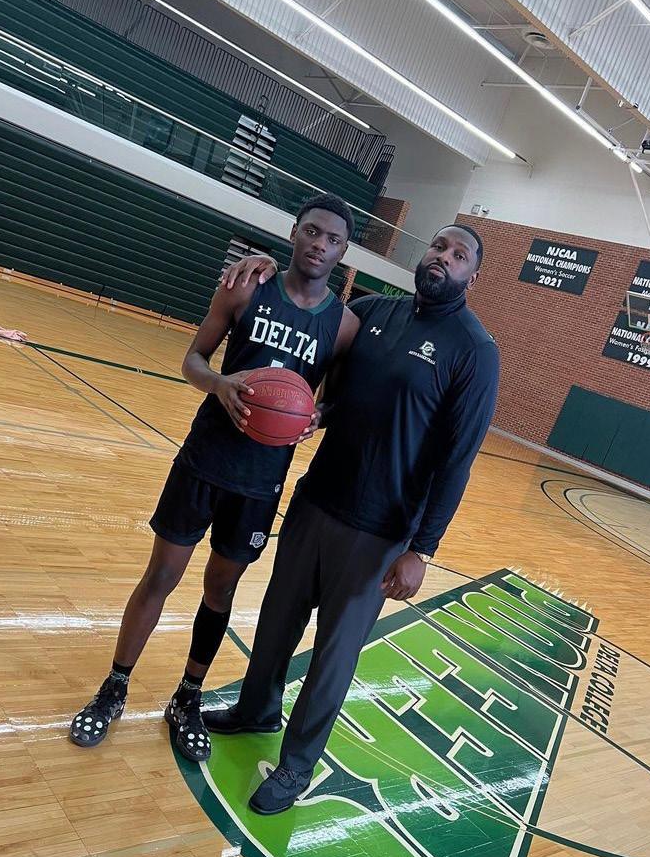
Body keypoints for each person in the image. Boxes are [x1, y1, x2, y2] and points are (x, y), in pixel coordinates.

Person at [204, 224, 500, 814]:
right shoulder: (374, 313)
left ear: (472, 274)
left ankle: (296, 765)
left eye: (459, 255)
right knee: (276, 622)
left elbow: (457, 460)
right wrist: (269, 268)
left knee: (333, 657)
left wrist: (422, 549)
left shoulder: (475, 351)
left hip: (381, 531)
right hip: (318, 500)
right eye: (438, 246)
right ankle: (256, 709)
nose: (443, 257)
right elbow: (309, 307)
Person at [68, 194, 359, 758]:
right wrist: (220, 385)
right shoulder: (246, 287)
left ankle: (188, 696)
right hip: (204, 460)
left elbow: (335, 402)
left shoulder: (343, 326)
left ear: (343, 252)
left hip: (260, 481)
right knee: (161, 575)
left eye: (333, 240)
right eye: (312, 231)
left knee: (220, 588)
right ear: (294, 233)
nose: (319, 245)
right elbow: (193, 360)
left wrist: (315, 417)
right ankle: (115, 686)